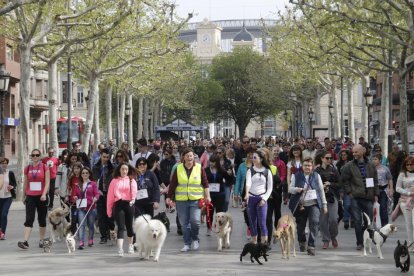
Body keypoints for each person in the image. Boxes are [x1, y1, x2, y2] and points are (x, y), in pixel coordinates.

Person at [166, 147, 211, 252]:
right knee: (184, 223)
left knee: (195, 221)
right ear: (183, 157)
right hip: (181, 200)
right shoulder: (178, 168)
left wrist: (207, 196)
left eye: (191, 156)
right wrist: (169, 197)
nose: (190, 158)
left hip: (196, 199)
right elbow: (173, 184)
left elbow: (205, 184)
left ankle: (195, 239)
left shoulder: (199, 168)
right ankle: (187, 243)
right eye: (187, 156)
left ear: (194, 157)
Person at [341, 144, 379, 251]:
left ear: (363, 151)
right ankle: (359, 242)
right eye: (353, 152)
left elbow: (375, 180)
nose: (354, 154)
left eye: (356, 152)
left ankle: (366, 237)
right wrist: (349, 192)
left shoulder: (371, 165)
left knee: (369, 221)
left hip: (368, 197)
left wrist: (376, 194)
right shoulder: (349, 165)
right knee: (357, 221)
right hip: (356, 198)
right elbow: (345, 180)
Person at [288, 157, 327, 256]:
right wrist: (297, 189)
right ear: (302, 166)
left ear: (312, 166)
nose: (307, 167)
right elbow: (290, 189)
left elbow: (321, 191)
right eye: (305, 165)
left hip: (314, 204)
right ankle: (302, 241)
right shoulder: (296, 175)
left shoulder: (316, 176)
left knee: (314, 223)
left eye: (309, 165)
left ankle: (311, 245)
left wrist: (324, 204)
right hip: (301, 205)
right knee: (301, 227)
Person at [18, 149, 50, 250]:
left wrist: (44, 194)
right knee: (29, 219)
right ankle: (25, 241)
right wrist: (24, 196)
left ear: (40, 156)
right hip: (30, 196)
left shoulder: (45, 167)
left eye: (37, 155)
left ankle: (42, 240)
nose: (35, 157)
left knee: (41, 219)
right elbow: (26, 183)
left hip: (41, 196)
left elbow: (47, 182)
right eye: (33, 155)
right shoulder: (27, 168)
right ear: (31, 156)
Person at [107, 163, 137, 257]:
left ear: (128, 171)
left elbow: (134, 193)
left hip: (129, 204)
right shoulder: (114, 181)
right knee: (120, 226)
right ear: (119, 170)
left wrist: (132, 200)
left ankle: (130, 245)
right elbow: (110, 197)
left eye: (126, 169)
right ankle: (120, 249)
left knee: (129, 226)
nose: (124, 171)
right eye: (122, 169)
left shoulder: (132, 180)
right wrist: (109, 210)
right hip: (118, 204)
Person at [245, 149, 273, 245]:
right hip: (251, 198)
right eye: (252, 157)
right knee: (252, 223)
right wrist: (246, 193)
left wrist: (264, 199)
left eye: (255, 157)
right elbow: (248, 183)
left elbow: (270, 188)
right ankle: (254, 243)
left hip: (262, 198)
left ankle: (264, 244)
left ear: (261, 159)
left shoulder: (267, 171)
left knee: (262, 223)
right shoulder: (250, 170)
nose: (253, 159)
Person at [315, 150, 341, 249]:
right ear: (322, 159)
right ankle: (326, 240)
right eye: (327, 158)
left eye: (331, 158)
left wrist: (330, 184)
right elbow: (312, 183)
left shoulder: (334, 170)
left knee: (333, 219)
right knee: (322, 221)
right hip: (321, 198)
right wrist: (321, 186)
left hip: (332, 197)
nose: (329, 160)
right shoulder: (316, 171)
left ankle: (333, 237)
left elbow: (340, 184)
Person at [73, 167, 99, 249]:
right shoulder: (77, 184)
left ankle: (90, 240)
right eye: (83, 173)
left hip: (91, 207)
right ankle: (81, 243)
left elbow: (97, 194)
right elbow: (74, 194)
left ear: (89, 174)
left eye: (86, 173)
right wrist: (75, 197)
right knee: (81, 225)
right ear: (81, 175)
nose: (85, 174)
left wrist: (95, 198)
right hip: (81, 208)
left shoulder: (93, 184)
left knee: (91, 225)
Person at [92, 148, 115, 244]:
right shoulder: (96, 167)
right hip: (100, 194)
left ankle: (111, 231)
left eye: (107, 157)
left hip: (110, 194)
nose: (105, 159)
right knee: (101, 216)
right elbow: (93, 180)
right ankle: (103, 236)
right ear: (100, 155)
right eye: (104, 157)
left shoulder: (112, 167)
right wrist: (96, 190)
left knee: (110, 216)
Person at [205, 154, 229, 236]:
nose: (211, 163)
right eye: (210, 161)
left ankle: (219, 228)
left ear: (217, 162)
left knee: (220, 213)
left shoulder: (222, 170)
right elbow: (203, 181)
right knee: (210, 213)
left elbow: (229, 179)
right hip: (210, 194)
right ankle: (209, 228)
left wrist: (230, 174)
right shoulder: (206, 170)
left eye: (213, 162)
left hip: (220, 194)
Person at [234, 147, 254, 240]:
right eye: (248, 154)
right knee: (246, 212)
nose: (250, 156)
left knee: (253, 211)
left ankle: (254, 228)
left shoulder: (257, 166)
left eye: (252, 154)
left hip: (255, 192)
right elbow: (238, 179)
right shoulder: (242, 166)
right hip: (244, 192)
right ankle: (249, 227)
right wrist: (236, 192)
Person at [395, 156, 414, 244]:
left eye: (412, 164)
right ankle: (411, 244)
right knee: (409, 224)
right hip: (405, 201)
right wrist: (408, 193)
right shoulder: (402, 174)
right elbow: (397, 188)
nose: (409, 166)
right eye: (407, 164)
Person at [372, 153, 393, 227]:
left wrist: (391, 189)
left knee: (383, 208)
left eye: (376, 159)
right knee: (375, 208)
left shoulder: (385, 169)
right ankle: (376, 224)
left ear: (380, 160)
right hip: (374, 190)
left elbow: (390, 179)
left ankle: (385, 224)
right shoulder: (371, 169)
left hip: (383, 190)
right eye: (373, 159)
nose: (374, 161)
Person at [336, 149, 353, 229]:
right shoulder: (339, 164)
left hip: (353, 186)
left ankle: (352, 219)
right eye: (342, 155)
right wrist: (340, 190)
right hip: (343, 186)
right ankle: (346, 219)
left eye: (344, 155)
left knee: (353, 204)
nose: (343, 156)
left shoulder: (352, 163)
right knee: (347, 204)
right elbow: (338, 177)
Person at [0, 157, 17, 240]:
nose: (4, 164)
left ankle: (2, 233)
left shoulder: (10, 173)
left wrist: (12, 186)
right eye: (2, 163)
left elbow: (15, 183)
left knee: (4, 214)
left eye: (5, 163)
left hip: (8, 197)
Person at [67, 162, 83, 233]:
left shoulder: (83, 177)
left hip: (82, 201)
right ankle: (73, 233)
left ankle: (80, 233)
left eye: (78, 168)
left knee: (80, 219)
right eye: (74, 168)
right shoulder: (71, 178)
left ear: (81, 169)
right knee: (73, 219)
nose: (76, 170)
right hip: (73, 201)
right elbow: (69, 188)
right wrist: (67, 196)